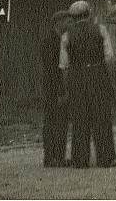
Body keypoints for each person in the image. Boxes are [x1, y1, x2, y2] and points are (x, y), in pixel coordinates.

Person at [59, 0, 116, 168]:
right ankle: (105, 158)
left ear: (73, 17)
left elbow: (64, 65)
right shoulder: (100, 30)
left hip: (77, 77)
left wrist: (68, 85)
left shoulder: (66, 35)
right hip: (98, 75)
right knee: (101, 117)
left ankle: (80, 159)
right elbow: (109, 58)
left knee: (80, 118)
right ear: (88, 14)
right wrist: (109, 80)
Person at [41, 10, 72, 167]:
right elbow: (53, 69)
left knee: (60, 122)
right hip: (54, 87)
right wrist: (60, 91)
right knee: (54, 122)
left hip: (57, 87)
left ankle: (57, 156)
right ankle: (51, 157)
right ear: (58, 22)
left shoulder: (59, 39)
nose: (68, 23)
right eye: (66, 20)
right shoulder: (50, 41)